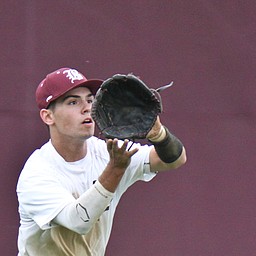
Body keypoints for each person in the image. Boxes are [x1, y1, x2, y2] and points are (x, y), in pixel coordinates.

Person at [16, 67, 187, 256]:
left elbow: (174, 160)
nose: (87, 107)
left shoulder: (108, 152)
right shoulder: (37, 172)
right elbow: (78, 221)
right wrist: (114, 170)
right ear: (48, 116)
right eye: (73, 102)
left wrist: (159, 135)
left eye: (90, 100)